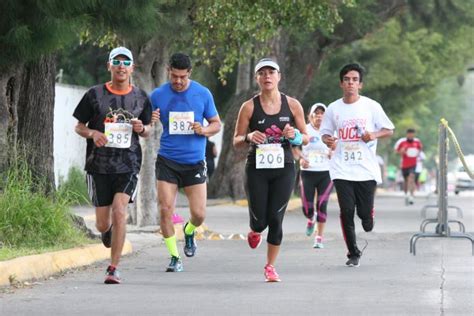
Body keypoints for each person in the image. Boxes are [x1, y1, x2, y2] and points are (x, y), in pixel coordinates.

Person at [73, 46, 158, 284]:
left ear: (132, 67)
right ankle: (107, 231)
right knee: (102, 223)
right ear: (109, 66)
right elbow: (79, 125)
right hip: (98, 165)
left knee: (120, 211)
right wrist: (92, 134)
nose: (121, 66)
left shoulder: (141, 97)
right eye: (116, 61)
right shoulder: (94, 94)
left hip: (128, 164)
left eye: (126, 62)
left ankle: (113, 267)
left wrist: (143, 129)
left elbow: (148, 129)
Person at [233, 58, 308, 282]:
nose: (267, 76)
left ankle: (270, 266)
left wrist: (293, 135)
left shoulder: (292, 105)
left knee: (276, 219)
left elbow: (306, 136)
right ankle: (255, 229)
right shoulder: (249, 107)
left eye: (271, 72)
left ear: (279, 76)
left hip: (284, 168)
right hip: (257, 168)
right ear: (257, 78)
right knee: (260, 221)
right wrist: (248, 136)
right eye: (262, 73)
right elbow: (235, 140)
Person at [150, 53, 221, 272]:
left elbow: (216, 124)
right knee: (165, 210)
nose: (178, 81)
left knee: (199, 214)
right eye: (174, 76)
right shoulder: (157, 95)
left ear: (189, 73)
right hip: (168, 160)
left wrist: (204, 130)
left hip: (194, 162)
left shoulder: (202, 93)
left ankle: (189, 231)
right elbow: (145, 124)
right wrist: (149, 121)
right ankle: (174, 257)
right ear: (168, 71)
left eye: (182, 77)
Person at [321, 63, 394, 267]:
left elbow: (389, 129)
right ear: (341, 83)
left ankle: (368, 214)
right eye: (347, 79)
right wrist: (328, 139)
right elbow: (325, 133)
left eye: (354, 80)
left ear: (360, 84)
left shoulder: (371, 106)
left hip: (366, 169)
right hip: (341, 168)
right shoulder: (333, 108)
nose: (350, 83)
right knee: (346, 210)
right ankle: (353, 253)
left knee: (364, 218)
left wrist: (373, 134)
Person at [292, 103, 333, 249]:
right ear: (311, 115)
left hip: (326, 173)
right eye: (317, 113)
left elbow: (338, 147)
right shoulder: (305, 130)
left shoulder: (331, 131)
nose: (320, 116)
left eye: (323, 113)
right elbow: (295, 148)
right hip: (308, 172)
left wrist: (332, 152)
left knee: (322, 205)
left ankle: (319, 238)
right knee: (307, 208)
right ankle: (310, 218)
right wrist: (301, 158)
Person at [394, 129, 423, 205]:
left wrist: (417, 153)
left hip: (413, 164)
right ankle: (406, 194)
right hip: (404, 164)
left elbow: (420, 150)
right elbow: (396, 151)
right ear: (407, 134)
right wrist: (401, 151)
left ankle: (411, 196)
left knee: (411, 178)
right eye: (409, 134)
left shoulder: (417, 142)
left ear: (414, 134)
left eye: (412, 134)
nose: (411, 135)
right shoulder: (402, 142)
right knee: (406, 181)